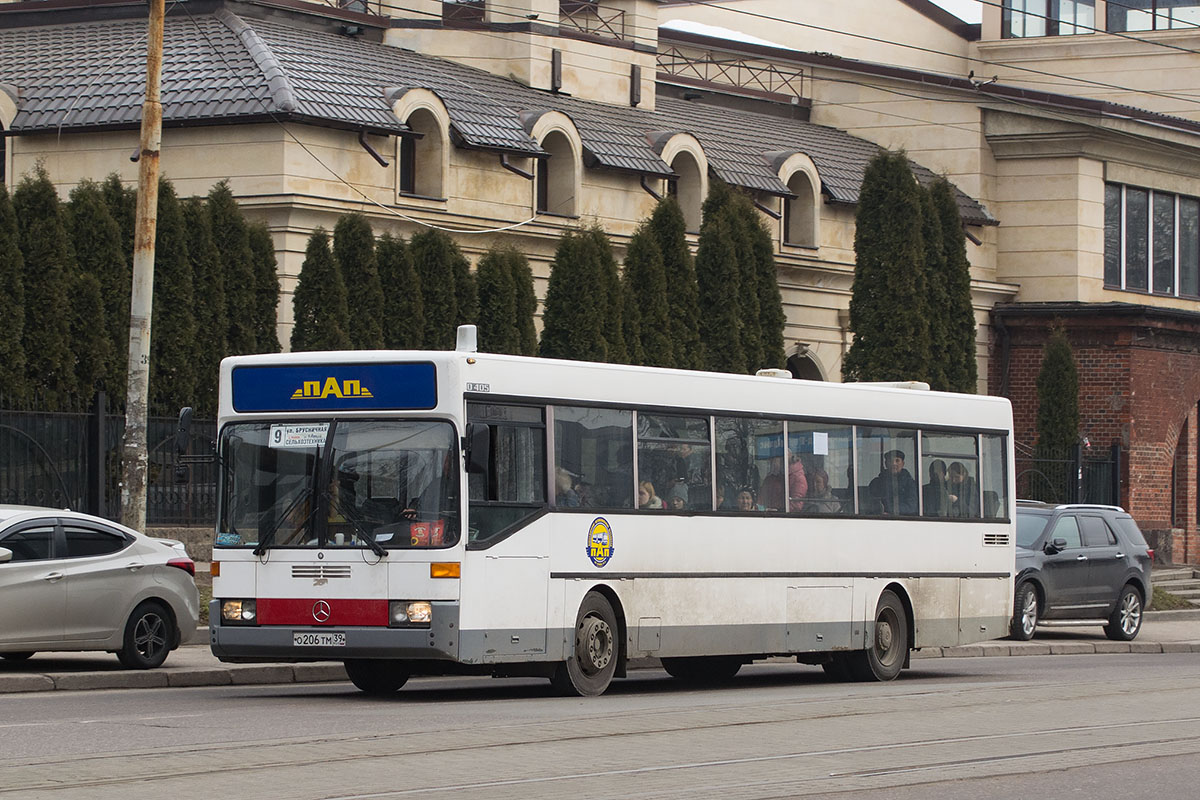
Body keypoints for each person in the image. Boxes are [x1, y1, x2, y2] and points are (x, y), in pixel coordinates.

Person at [867, 449, 918, 515]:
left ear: (903, 464)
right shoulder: (876, 483)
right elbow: (870, 504)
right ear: (885, 464)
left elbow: (911, 507)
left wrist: (890, 512)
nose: (894, 463)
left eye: (897, 461)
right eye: (890, 461)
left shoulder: (910, 484)